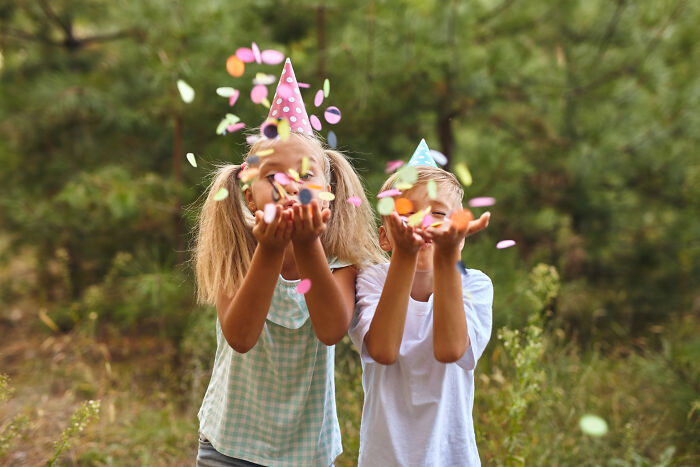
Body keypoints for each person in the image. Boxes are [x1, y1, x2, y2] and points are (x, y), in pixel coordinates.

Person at [194, 59, 385, 467]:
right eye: (272, 177)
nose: (289, 186)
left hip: (307, 453)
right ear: (248, 194)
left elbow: (331, 329)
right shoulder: (240, 249)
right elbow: (240, 337)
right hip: (228, 445)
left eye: (304, 175)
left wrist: (308, 243)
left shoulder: (339, 257)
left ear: (328, 190)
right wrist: (269, 249)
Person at [349, 139, 493, 466]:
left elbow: (450, 349)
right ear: (384, 236)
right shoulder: (372, 280)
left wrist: (447, 258)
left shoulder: (475, 284)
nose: (423, 222)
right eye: (407, 213)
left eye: (439, 213)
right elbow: (383, 351)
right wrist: (405, 254)